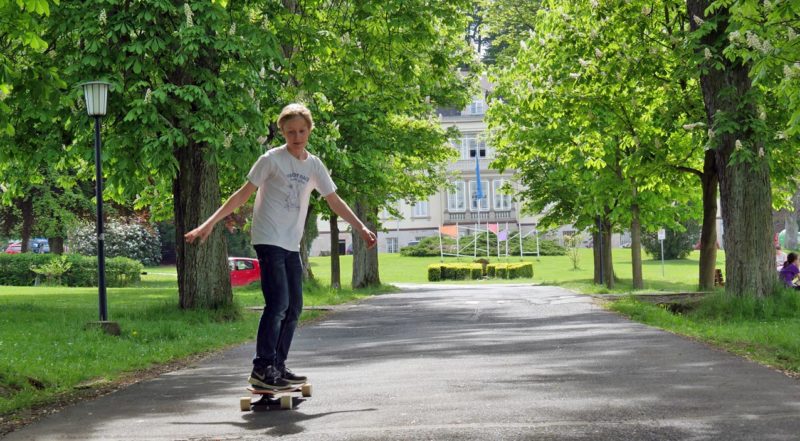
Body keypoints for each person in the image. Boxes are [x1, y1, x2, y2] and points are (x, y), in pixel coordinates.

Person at [184, 103, 377, 390]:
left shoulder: (314, 165)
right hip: (268, 237)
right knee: (278, 304)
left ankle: (278, 366)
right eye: (290, 132)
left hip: (291, 242)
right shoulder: (270, 160)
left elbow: (334, 200)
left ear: (309, 130)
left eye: (301, 131)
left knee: (295, 307)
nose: (296, 137)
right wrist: (209, 223)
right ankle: (262, 368)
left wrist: (359, 226)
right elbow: (242, 194)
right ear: (282, 132)